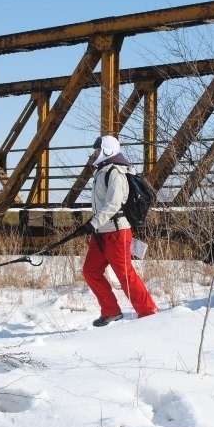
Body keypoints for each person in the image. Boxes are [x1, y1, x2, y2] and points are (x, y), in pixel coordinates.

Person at [75, 135, 159, 326]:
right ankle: (111, 311)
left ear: (107, 151)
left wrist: (92, 223)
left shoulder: (116, 173)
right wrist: (95, 225)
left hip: (117, 231)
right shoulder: (101, 171)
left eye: (97, 150)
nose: (94, 153)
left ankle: (149, 312)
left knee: (125, 275)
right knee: (90, 271)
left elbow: (113, 205)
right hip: (101, 231)